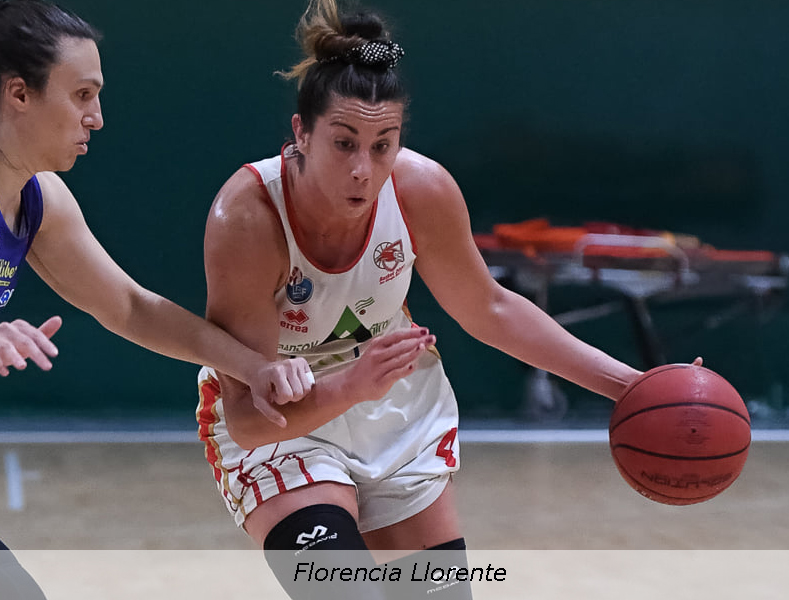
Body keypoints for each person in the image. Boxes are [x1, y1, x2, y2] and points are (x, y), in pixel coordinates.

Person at [196, 1, 701, 598]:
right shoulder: (248, 217)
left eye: (382, 145)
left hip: (393, 405)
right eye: (344, 143)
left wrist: (630, 386)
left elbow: (490, 308)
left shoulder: (421, 190)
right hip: (288, 424)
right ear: (301, 133)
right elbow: (249, 422)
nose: (363, 169)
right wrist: (350, 385)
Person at [0, 1, 314, 597]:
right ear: (19, 93)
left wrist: (252, 367)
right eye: (82, 95)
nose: (96, 118)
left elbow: (130, 306)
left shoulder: (40, 200)